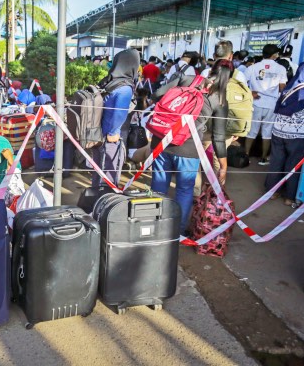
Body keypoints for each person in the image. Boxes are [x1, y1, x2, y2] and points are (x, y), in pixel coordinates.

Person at [150, 59, 230, 235]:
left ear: (211, 70)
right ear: (228, 78)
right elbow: (218, 137)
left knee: (158, 185)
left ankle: (153, 226)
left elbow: (156, 95)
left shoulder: (187, 79)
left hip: (161, 142)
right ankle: (177, 232)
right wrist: (223, 165)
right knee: (184, 190)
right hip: (188, 149)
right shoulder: (220, 99)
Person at [91, 48, 140, 188]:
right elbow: (119, 112)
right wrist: (113, 133)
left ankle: (95, 198)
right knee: (109, 175)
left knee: (98, 171)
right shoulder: (125, 88)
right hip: (110, 138)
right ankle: (104, 202)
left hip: (97, 133)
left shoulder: (108, 81)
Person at [265, 63, 304, 207]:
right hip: (298, 135)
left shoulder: (289, 88)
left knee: (276, 161)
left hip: (278, 132)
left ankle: (272, 191)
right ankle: (289, 197)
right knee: (293, 164)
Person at [244, 44, 288, 165]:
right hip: (271, 104)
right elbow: (281, 88)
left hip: (255, 102)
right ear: (274, 55)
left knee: (252, 130)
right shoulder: (281, 69)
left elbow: (241, 83)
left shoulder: (253, 67)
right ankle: (263, 158)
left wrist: (250, 92)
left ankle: (246, 156)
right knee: (267, 132)